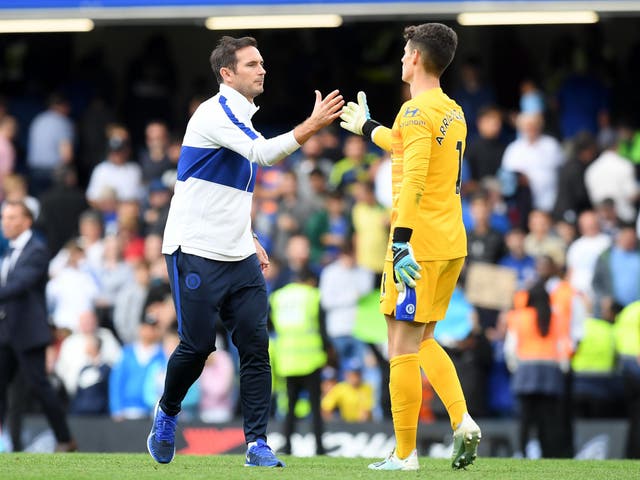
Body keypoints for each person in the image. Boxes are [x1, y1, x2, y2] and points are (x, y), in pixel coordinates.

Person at [147, 35, 343, 468]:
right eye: (253, 64)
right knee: (197, 347)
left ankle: (257, 443)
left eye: (262, 63)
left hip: (237, 254)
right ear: (227, 74)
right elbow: (262, 153)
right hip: (194, 249)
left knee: (255, 345)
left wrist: (249, 235)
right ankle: (167, 412)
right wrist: (311, 125)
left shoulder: (242, 117)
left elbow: (230, 193)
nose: (262, 70)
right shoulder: (214, 113)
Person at [339, 23, 480, 471]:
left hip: (415, 246)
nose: (401, 58)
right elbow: (407, 149)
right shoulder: (452, 111)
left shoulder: (416, 112)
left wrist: (399, 245)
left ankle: (405, 455)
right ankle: (462, 421)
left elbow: (414, 181)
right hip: (451, 240)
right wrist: (368, 127)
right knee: (424, 341)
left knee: (400, 346)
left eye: (404, 52)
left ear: (416, 57)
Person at [0, 200, 76, 452]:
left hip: (28, 332)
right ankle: (8, 441)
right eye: (4, 217)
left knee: (39, 387)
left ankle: (65, 439)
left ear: (27, 221)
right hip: (6, 331)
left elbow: (19, 285)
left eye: (12, 217)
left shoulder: (37, 250)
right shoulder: (10, 251)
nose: (6, 222)